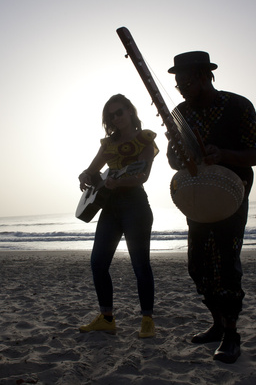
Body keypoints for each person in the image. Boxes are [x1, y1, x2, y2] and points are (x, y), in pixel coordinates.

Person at [166, 51, 256, 363]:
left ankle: (231, 334)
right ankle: (218, 323)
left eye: (186, 83)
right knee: (197, 265)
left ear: (204, 76)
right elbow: (172, 160)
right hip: (196, 198)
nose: (181, 90)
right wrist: (182, 155)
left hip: (231, 196)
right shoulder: (180, 113)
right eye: (178, 85)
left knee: (226, 263)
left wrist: (221, 154)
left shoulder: (238, 106)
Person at [78, 93, 158, 338]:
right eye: (111, 115)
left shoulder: (145, 140)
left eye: (119, 112)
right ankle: (106, 318)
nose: (116, 118)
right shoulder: (108, 144)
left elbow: (142, 176)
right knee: (98, 263)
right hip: (110, 207)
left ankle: (147, 320)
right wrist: (84, 176)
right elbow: (92, 170)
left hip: (135, 206)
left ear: (130, 111)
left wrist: (120, 182)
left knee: (140, 265)